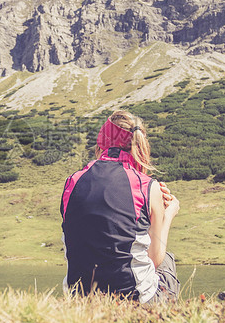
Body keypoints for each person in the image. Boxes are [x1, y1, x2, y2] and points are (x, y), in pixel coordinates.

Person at [60, 110, 181, 303]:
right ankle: (165, 322)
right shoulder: (147, 186)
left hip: (79, 298)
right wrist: (168, 214)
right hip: (135, 300)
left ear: (101, 142)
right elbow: (155, 258)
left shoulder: (73, 181)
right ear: (139, 144)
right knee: (166, 259)